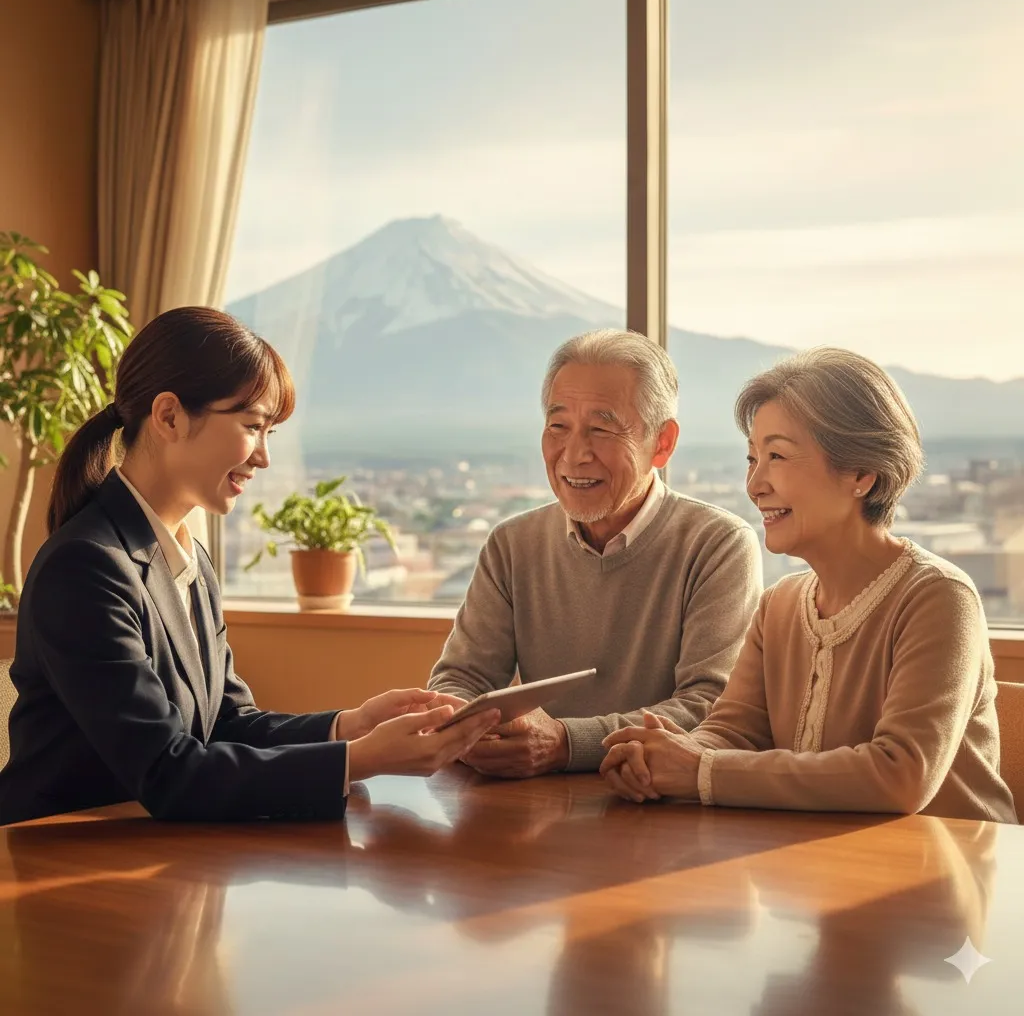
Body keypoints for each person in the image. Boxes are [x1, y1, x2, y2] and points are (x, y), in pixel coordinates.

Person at [0, 307, 498, 825]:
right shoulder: (85, 568)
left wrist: (351, 727)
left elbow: (227, 723)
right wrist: (363, 760)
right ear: (169, 416)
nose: (262, 457)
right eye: (252, 426)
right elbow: (169, 773)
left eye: (270, 434)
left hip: (154, 856)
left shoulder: (187, 556)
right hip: (55, 861)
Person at [601, 347, 1017, 823]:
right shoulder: (779, 605)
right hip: (823, 876)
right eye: (752, 458)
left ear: (861, 473)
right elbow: (732, 735)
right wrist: (661, 757)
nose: (754, 484)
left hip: (956, 879)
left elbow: (901, 775)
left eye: (776, 455)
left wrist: (699, 768)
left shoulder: (940, 597)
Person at [427, 329, 762, 777]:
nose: (574, 454)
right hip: (528, 810)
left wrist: (567, 744)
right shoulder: (513, 544)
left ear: (662, 443)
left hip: (661, 810)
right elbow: (459, 679)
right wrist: (467, 728)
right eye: (558, 426)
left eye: (601, 428)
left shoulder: (718, 545)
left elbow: (709, 708)